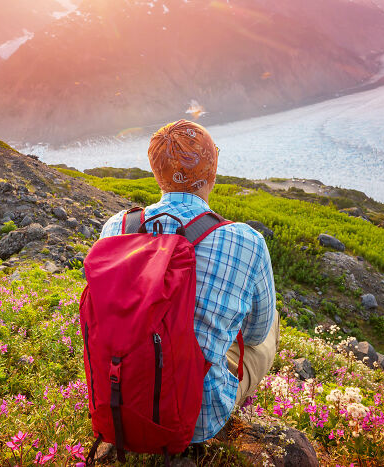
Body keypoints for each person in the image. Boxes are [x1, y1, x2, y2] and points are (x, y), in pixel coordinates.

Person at [99, 119, 279, 443]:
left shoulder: (116, 228)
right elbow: (254, 334)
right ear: (212, 172)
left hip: (120, 400)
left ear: (156, 172)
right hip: (197, 419)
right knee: (269, 327)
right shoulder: (247, 242)